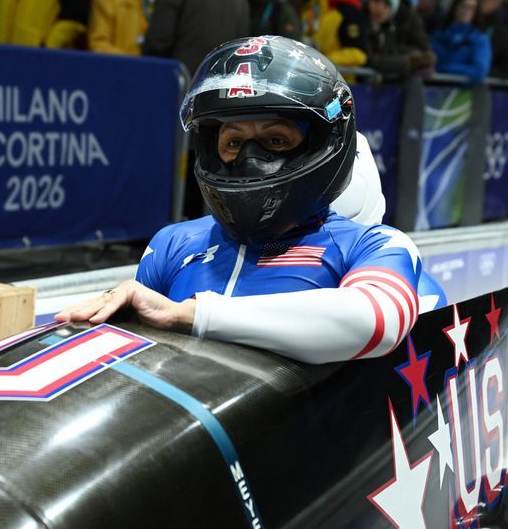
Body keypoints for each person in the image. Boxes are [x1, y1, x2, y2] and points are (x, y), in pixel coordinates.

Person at [57, 36, 428, 364]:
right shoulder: (173, 243)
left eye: (276, 140)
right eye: (233, 142)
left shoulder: (375, 246)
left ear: (322, 145)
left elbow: (375, 321)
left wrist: (190, 315)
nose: (249, 160)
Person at [363, 0, 435, 80]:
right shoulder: (362, 25)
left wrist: (415, 59)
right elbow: (370, 60)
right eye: (376, 1)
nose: (379, 9)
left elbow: (391, 52)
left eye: (386, 5)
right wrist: (409, 62)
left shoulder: (391, 27)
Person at [431, 0, 491, 81]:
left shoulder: (479, 39)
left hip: (462, 87)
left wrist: (447, 68)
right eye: (463, 6)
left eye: (471, 8)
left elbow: (479, 71)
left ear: (475, 12)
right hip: (433, 84)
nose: (466, 11)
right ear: (455, 8)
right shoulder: (439, 36)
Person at [477, 0, 508, 79]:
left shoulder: (503, 33)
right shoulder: (467, 25)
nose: (480, 1)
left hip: (486, 82)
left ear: (497, 4)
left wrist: (481, 71)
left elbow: (506, 68)